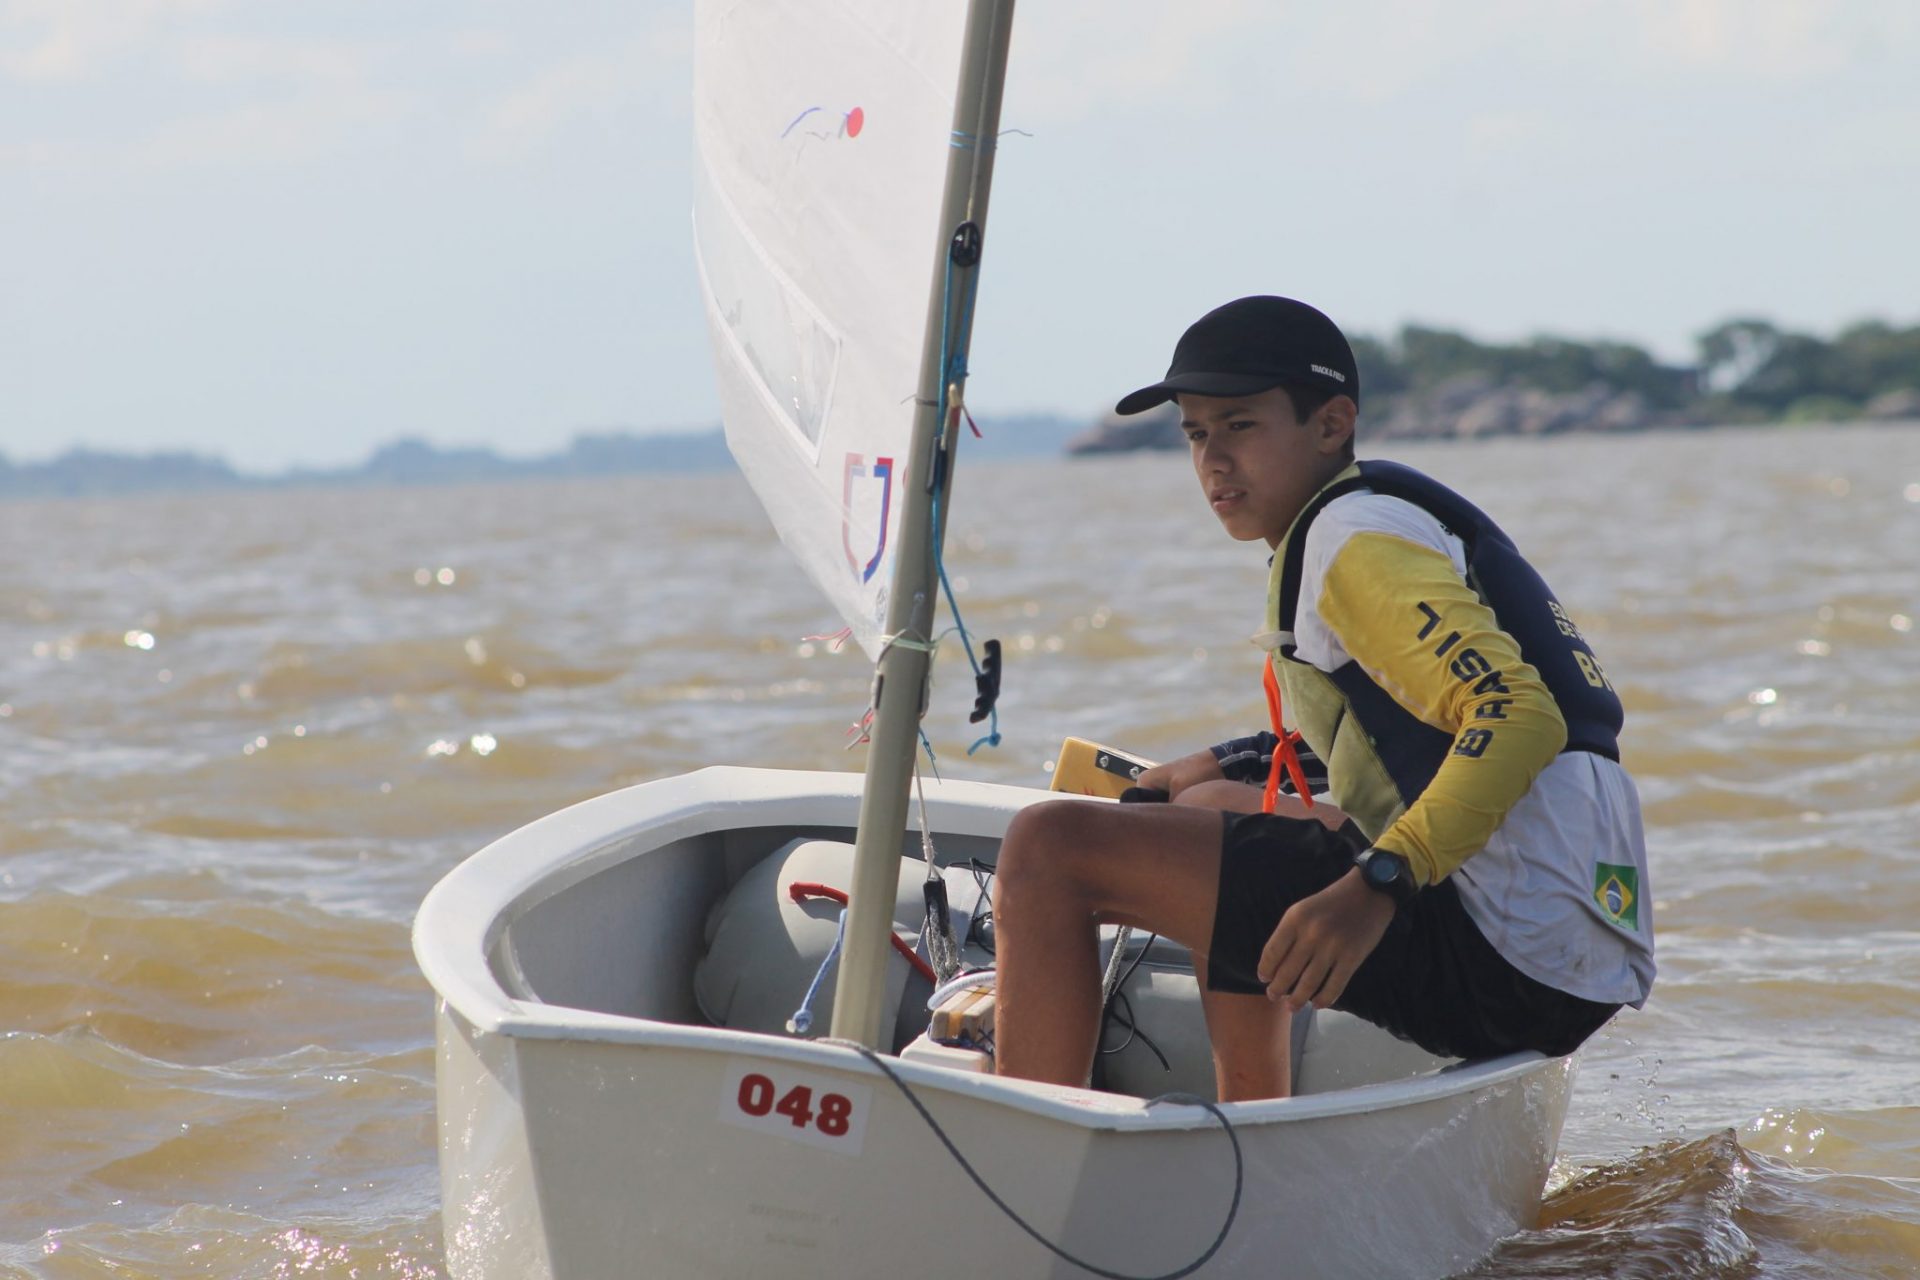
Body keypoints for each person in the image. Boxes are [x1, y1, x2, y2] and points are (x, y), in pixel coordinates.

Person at [991, 296, 1655, 1102]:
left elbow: (1518, 716)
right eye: (1195, 434)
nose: (1213, 460)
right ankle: (1253, 1114)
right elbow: (1409, 723)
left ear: (1332, 423)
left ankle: (1029, 1135)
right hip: (1575, 949)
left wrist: (1377, 884)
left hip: (1504, 956)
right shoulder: (1375, 517)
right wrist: (1221, 762)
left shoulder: (1353, 544)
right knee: (1210, 805)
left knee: (1048, 846)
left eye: (1240, 425)